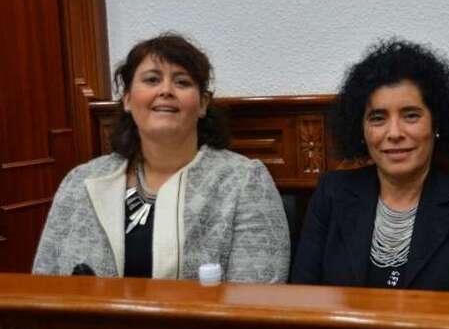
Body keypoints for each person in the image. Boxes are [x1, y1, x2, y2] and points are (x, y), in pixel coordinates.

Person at [33, 33, 290, 282]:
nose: (166, 90)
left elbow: (256, 294)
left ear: (202, 104)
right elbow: (44, 286)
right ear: (127, 99)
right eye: (152, 80)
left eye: (182, 82)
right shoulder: (81, 181)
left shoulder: (244, 181)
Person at [291, 39, 449, 292]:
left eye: (411, 116)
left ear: (436, 123)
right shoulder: (332, 193)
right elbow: (302, 296)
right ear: (361, 130)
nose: (394, 133)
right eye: (378, 118)